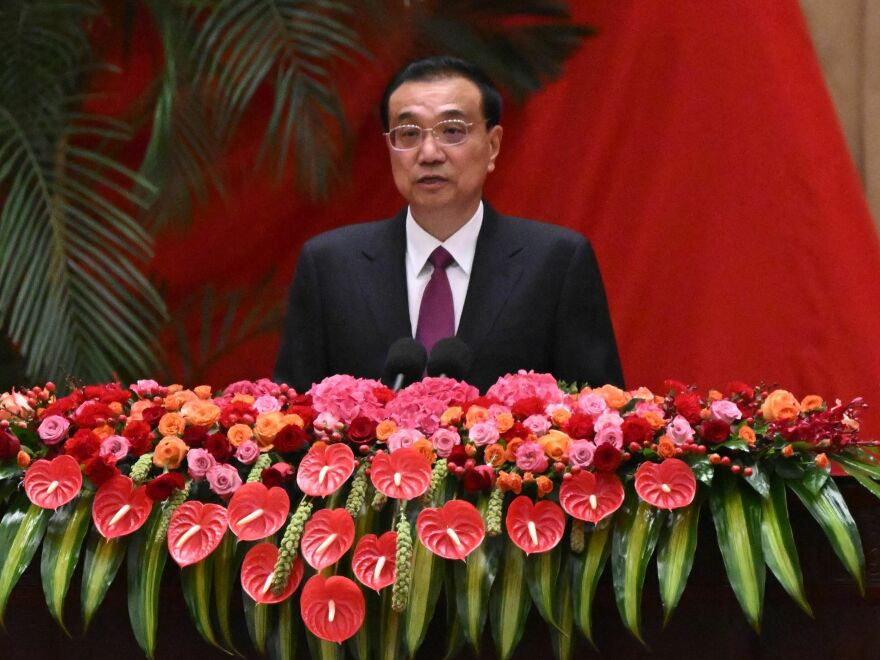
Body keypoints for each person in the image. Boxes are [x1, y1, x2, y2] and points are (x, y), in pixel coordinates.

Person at [274, 56, 623, 393]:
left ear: (493, 145)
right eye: (408, 134)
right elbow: (293, 421)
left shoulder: (556, 263)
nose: (429, 153)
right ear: (389, 147)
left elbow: (597, 419)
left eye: (452, 131)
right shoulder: (330, 265)